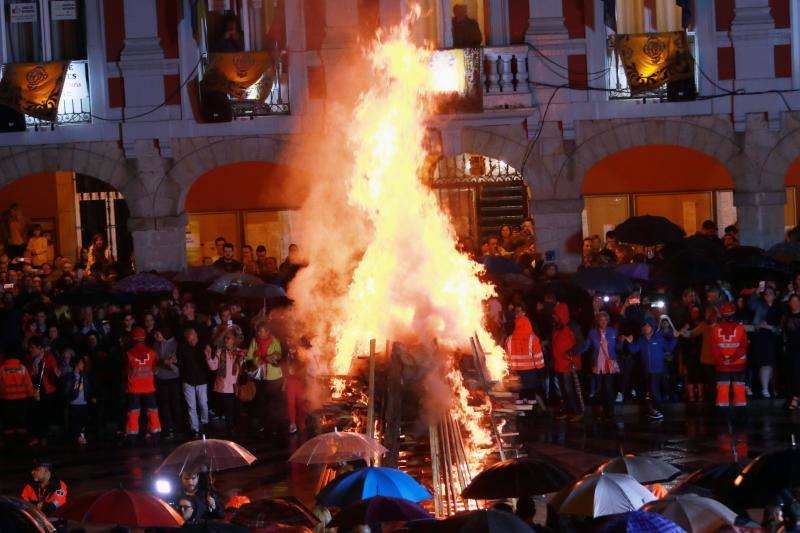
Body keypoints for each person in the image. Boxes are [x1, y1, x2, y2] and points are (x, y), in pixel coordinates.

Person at [623, 317, 678, 420]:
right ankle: (656, 410)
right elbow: (634, 350)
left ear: (652, 327)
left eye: (647, 325)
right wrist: (629, 342)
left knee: (654, 389)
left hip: (657, 369)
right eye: (644, 326)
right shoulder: (641, 339)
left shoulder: (659, 338)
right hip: (646, 369)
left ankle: (658, 409)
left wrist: (674, 338)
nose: (645, 327)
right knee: (652, 390)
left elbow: (669, 348)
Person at [504, 305, 545, 411]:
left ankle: (521, 415)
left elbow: (506, 357)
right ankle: (531, 416)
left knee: (519, 396)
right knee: (530, 395)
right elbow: (538, 358)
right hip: (530, 373)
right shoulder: (533, 338)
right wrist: (542, 370)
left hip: (515, 373)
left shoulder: (509, 339)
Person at [247, 322, 284, 434]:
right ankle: (263, 425)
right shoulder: (255, 341)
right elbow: (249, 356)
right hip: (261, 377)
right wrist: (261, 359)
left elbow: (279, 356)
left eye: (261, 331)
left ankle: (274, 426)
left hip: (275, 377)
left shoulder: (275, 341)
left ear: (267, 332)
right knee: (262, 403)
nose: (258, 333)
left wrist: (273, 357)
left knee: (273, 403)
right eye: (258, 331)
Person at [124, 327, 161, 439]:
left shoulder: (129, 354)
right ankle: (155, 431)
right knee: (152, 410)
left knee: (134, 411)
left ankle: (132, 433)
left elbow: (126, 371)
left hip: (134, 387)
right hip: (149, 387)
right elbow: (155, 370)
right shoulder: (151, 352)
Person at [713, 302, 748, 414]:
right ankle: (740, 410)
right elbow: (743, 347)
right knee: (739, 387)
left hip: (722, 365)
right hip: (738, 364)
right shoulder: (740, 328)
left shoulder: (716, 329)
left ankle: (722, 412)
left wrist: (724, 360)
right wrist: (732, 359)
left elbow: (714, 348)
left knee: (722, 387)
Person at [206, 329, 244, 436]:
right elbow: (213, 367)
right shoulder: (220, 351)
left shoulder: (238, 352)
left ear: (234, 340)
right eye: (225, 338)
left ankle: (235, 429)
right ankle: (230, 431)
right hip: (224, 386)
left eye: (229, 338)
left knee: (236, 409)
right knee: (229, 410)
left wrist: (241, 358)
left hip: (235, 385)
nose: (226, 340)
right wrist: (208, 357)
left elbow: (241, 368)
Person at [584, 311, 620, 420]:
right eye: (601, 320)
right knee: (599, 388)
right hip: (598, 363)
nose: (603, 322)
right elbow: (586, 346)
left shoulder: (613, 331)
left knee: (608, 388)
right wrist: (574, 351)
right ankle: (602, 411)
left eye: (605, 320)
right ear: (597, 321)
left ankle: (610, 411)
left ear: (608, 321)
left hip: (610, 363)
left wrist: (624, 341)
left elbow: (618, 347)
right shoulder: (592, 333)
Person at [552, 303, 583, 421]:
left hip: (569, 364)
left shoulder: (572, 326)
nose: (553, 317)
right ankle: (568, 410)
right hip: (559, 363)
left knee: (570, 389)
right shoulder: (557, 327)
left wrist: (571, 352)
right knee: (563, 390)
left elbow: (580, 342)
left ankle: (577, 412)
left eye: (555, 315)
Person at [27, 337, 60, 447]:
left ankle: (43, 437)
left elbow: (55, 373)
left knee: (44, 415)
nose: (30, 349)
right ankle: (36, 437)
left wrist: (52, 371)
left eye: (32, 347)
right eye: (30, 347)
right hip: (35, 390)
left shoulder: (48, 357)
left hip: (47, 390)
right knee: (35, 414)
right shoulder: (30, 359)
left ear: (40, 348)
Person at [178, 327, 210, 438]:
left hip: (201, 380)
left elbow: (208, 362)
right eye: (187, 338)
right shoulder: (183, 347)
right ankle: (194, 428)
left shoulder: (203, 346)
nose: (189, 340)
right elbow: (181, 363)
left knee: (203, 403)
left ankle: (205, 423)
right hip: (188, 381)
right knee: (191, 406)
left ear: (195, 335)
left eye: (190, 337)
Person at [153, 326, 181, 440]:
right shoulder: (155, 345)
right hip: (161, 377)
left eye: (158, 334)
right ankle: (167, 428)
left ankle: (178, 428)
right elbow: (156, 359)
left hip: (174, 377)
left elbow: (177, 359)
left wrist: (171, 363)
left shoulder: (175, 343)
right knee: (164, 404)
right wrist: (161, 363)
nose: (156, 336)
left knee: (175, 403)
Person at [0, 349, 35, 435]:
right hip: (21, 400)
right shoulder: (22, 368)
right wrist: (31, 395)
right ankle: (21, 443)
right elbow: (28, 384)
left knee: (8, 425)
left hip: (6, 400)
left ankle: (9, 444)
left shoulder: (2, 369)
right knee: (21, 424)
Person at [63, 355, 93, 445]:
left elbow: (87, 388)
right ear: (76, 364)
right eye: (81, 363)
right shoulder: (70, 376)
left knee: (83, 422)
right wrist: (68, 399)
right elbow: (66, 390)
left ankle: (81, 437)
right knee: (75, 422)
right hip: (74, 403)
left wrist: (91, 397)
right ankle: (77, 438)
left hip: (83, 402)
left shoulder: (84, 376)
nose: (83, 365)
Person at [784, 294, 800, 410]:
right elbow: (784, 332)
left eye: (796, 301)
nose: (794, 303)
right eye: (792, 301)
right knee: (793, 373)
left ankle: (796, 397)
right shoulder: (786, 316)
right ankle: (795, 396)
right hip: (792, 348)